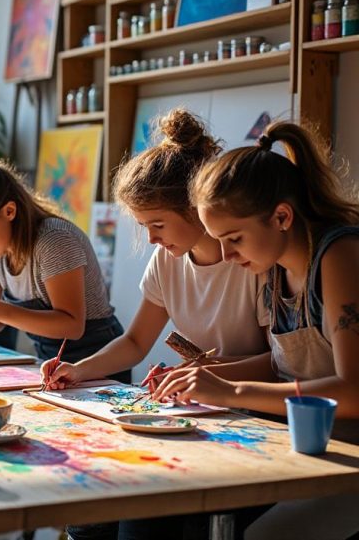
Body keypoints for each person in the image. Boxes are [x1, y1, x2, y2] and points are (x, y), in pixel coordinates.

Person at [152, 121, 359, 540]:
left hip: (348, 458)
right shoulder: (276, 268)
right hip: (307, 449)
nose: (227, 255)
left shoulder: (339, 256)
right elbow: (287, 363)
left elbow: (353, 390)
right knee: (164, 501)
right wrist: (204, 379)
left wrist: (233, 393)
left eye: (234, 239)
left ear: (282, 216)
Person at [42, 109, 269, 391]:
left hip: (255, 409)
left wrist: (202, 372)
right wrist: (79, 370)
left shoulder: (252, 261)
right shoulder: (165, 260)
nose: (151, 238)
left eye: (158, 225)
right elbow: (136, 342)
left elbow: (276, 364)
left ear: (194, 208)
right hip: (208, 403)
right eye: (143, 226)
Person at [0, 155, 129, 382]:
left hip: (98, 361)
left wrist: (2, 310)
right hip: (52, 364)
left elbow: (72, 326)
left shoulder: (53, 240)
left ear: (9, 211)